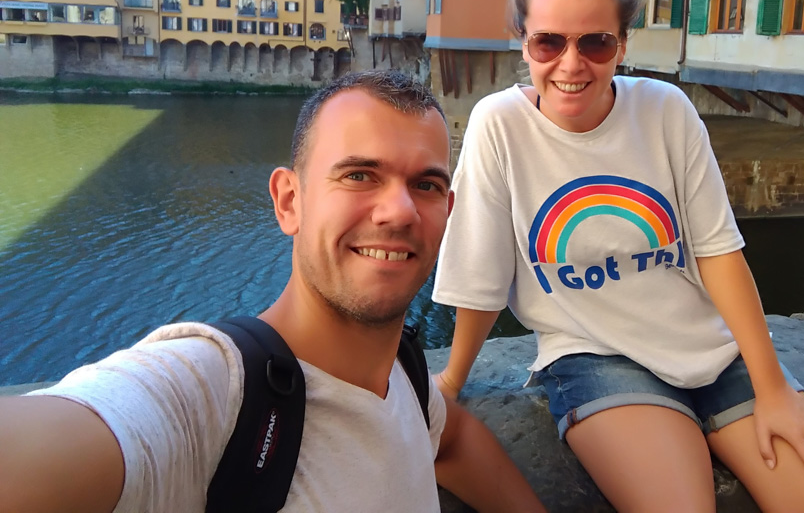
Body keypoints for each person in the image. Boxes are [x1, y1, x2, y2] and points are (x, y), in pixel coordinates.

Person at [431, 0, 804, 513]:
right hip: (595, 356)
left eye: (596, 43)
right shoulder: (498, 123)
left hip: (711, 350)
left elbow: (717, 252)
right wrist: (451, 382)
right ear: (523, 43)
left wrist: (774, 387)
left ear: (623, 45)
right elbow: (480, 269)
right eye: (548, 43)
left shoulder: (666, 110)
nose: (571, 64)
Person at [0, 70, 545, 513]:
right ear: (289, 201)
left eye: (425, 185)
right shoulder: (209, 394)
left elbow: (446, 440)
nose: (399, 211)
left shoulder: (406, 378)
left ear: (446, 215)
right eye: (359, 175)